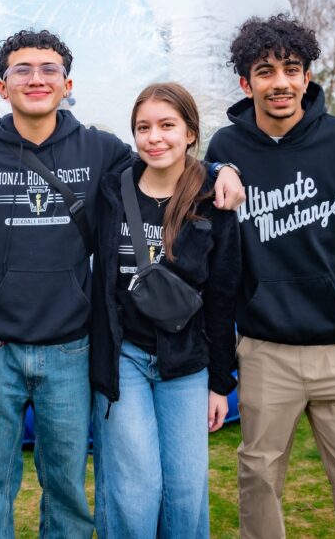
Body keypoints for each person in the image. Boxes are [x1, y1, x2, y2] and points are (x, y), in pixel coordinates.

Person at [0, 29, 244, 538]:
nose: (36, 78)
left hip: (69, 349)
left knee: (66, 488)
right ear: (2, 87)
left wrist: (222, 167)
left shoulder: (103, 151)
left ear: (67, 84)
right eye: (22, 69)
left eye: (49, 70)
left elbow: (168, 162)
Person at [205, 14, 335, 539]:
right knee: (258, 478)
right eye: (265, 71)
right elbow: (218, 261)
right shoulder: (226, 149)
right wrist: (211, 170)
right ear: (246, 83)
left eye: (292, 69)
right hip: (265, 350)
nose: (281, 83)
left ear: (308, 76)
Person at [89, 82, 240, 538]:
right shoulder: (113, 191)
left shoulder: (213, 197)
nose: (155, 137)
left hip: (187, 362)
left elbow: (222, 297)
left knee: (185, 490)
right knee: (135, 489)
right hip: (125, 359)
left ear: (191, 132)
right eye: (144, 127)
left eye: (167, 126)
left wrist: (220, 382)